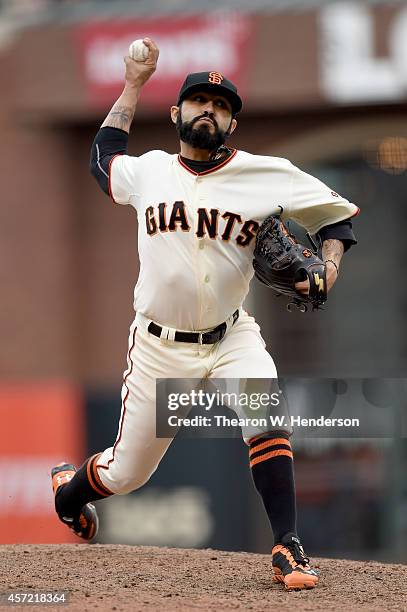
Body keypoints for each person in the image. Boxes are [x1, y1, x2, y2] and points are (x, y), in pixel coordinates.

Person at [51, 38, 358, 590]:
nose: (209, 111)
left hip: (231, 335)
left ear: (231, 124)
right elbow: (102, 157)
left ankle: (287, 546)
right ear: (177, 113)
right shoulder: (149, 172)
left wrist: (330, 268)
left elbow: (338, 219)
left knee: (266, 413)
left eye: (221, 106)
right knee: (126, 473)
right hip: (157, 345)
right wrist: (133, 84)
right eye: (200, 101)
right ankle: (71, 491)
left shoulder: (268, 174)